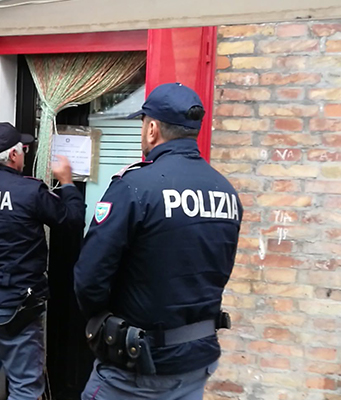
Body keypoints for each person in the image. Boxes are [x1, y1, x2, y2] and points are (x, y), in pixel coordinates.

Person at [74, 83, 242, 400]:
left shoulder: (135, 187)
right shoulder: (226, 191)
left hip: (137, 368)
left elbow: (89, 279)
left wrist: (102, 319)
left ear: (152, 129)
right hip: (196, 362)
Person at [0, 122, 86, 400]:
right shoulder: (28, 191)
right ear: (14, 155)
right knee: (25, 385)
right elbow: (72, 221)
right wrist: (66, 182)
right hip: (16, 302)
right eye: (24, 150)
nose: (25, 155)